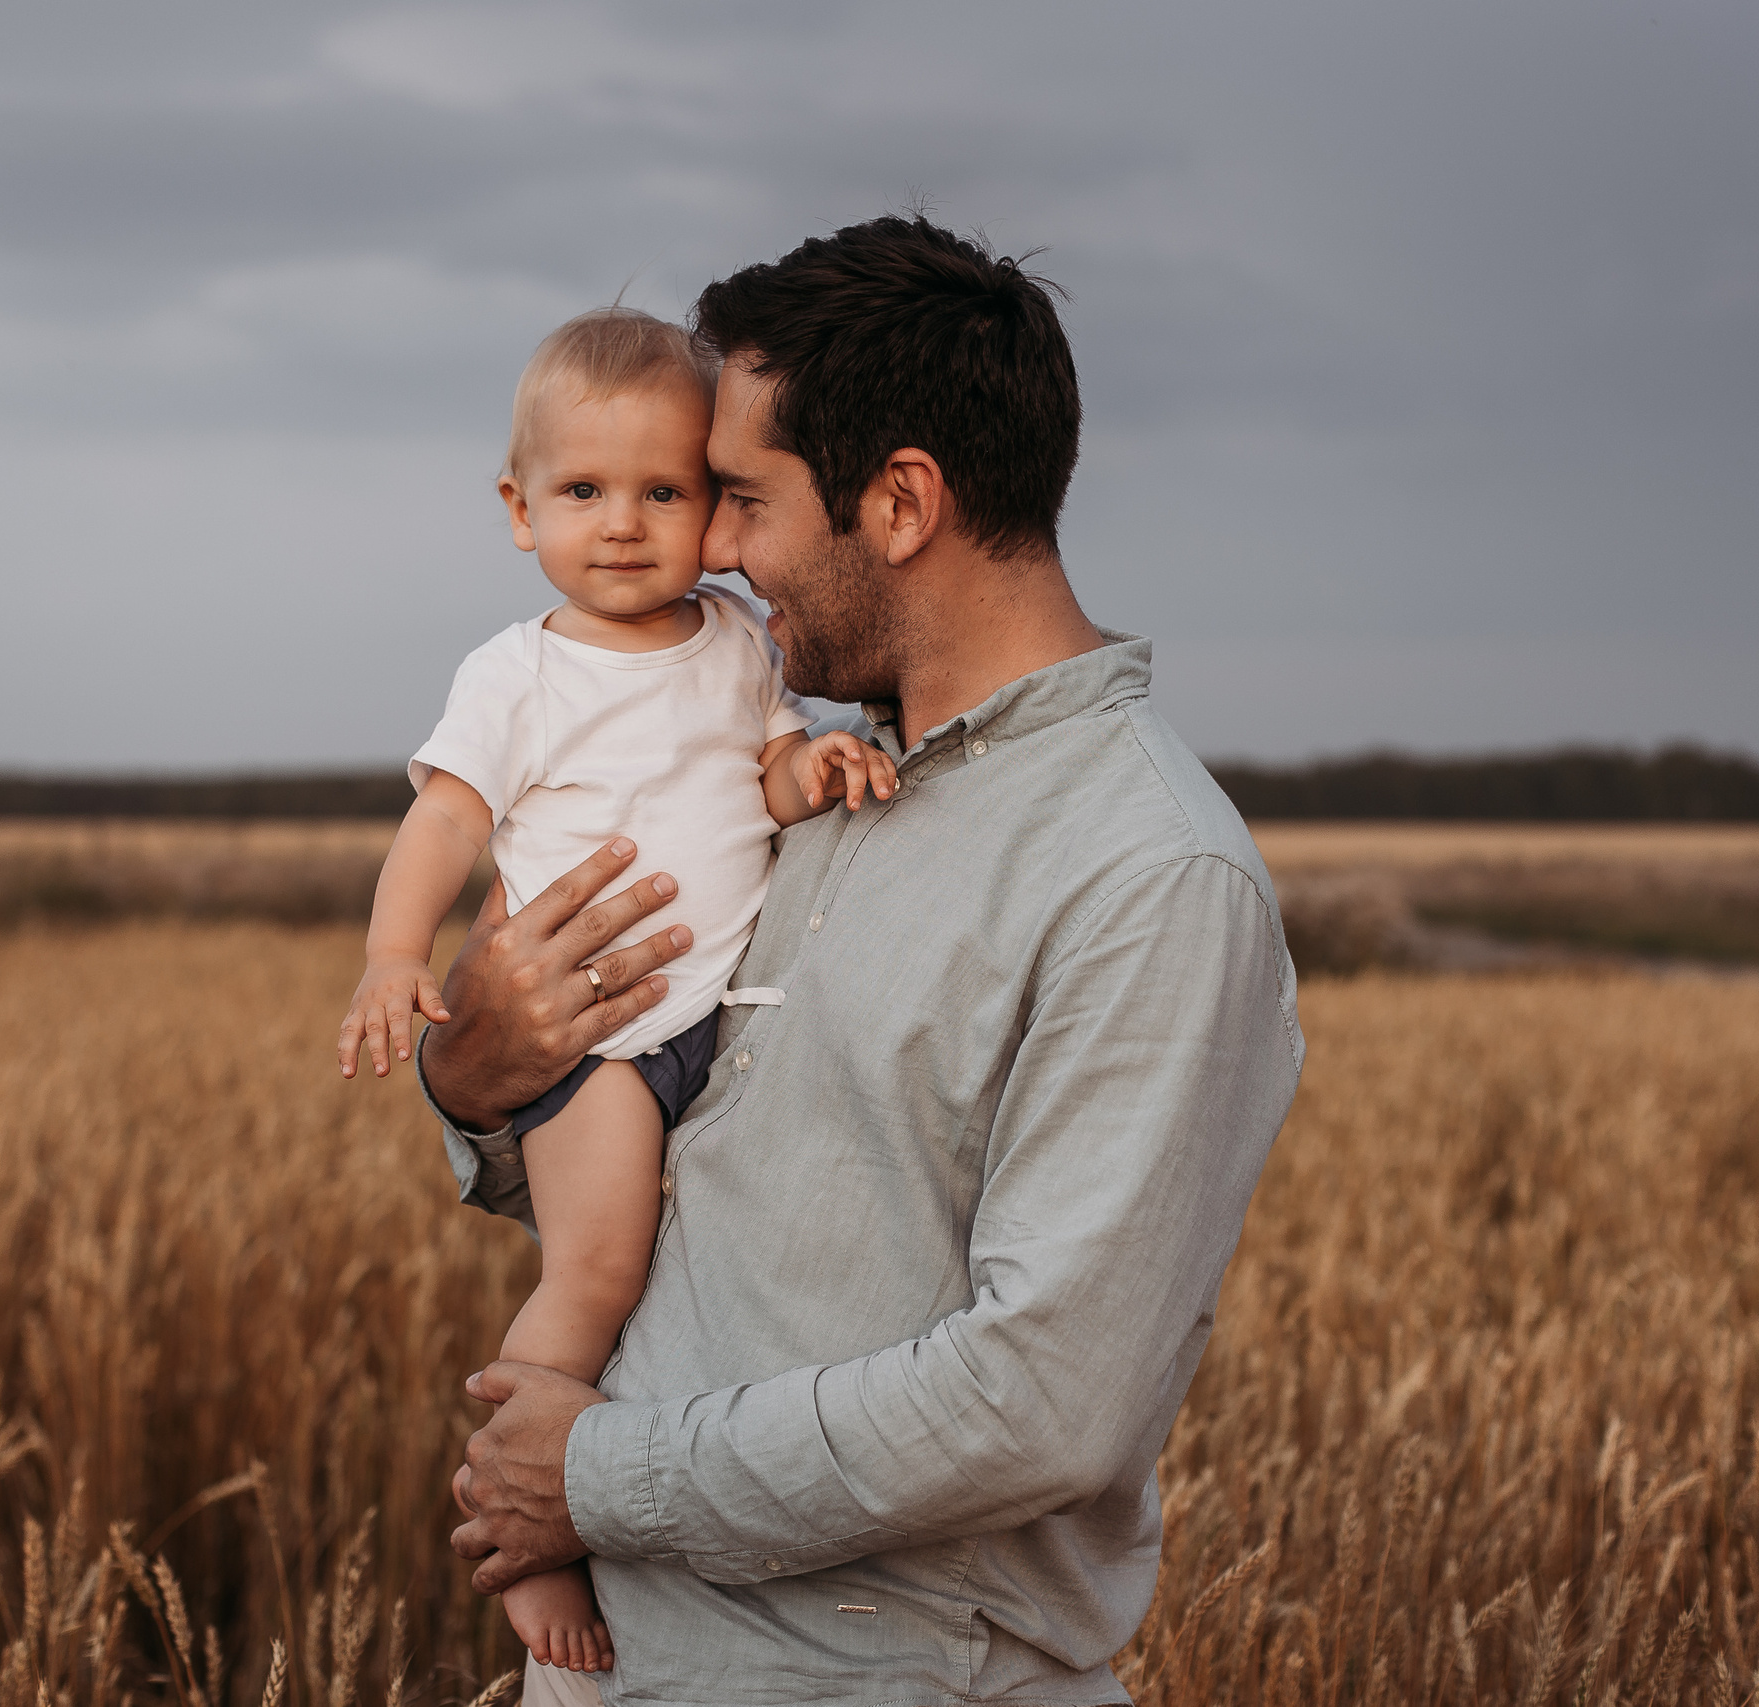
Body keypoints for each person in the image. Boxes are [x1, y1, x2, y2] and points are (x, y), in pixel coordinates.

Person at [421, 217, 1305, 1707]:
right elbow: (685, 1206)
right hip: (628, 1672)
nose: (712, 550)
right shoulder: (817, 784)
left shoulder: (1151, 876)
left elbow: (1044, 1404)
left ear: (899, 502)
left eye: (743, 499)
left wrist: (593, 1480)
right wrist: (478, 1077)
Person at [335, 305, 896, 1675]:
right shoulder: (516, 675)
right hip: (602, 1046)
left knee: (684, 1279)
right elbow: (449, 827)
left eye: (665, 491)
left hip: (721, 1025)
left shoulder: (738, 648)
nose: (627, 523)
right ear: (520, 511)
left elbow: (760, 777)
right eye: (585, 492)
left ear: (715, 512)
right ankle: (526, 1531)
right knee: (594, 1271)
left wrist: (815, 772)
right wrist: (395, 957)